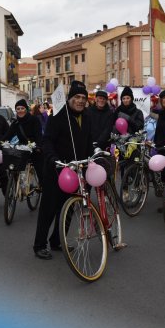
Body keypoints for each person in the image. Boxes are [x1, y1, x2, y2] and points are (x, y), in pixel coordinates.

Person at [33, 80, 93, 260]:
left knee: (68, 208)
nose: (80, 101)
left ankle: (57, 241)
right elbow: (47, 140)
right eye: (77, 97)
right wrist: (53, 159)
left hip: (77, 170)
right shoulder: (59, 114)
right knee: (48, 209)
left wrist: (92, 157)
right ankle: (39, 245)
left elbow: (89, 141)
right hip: (56, 169)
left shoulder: (87, 116)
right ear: (69, 98)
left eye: (83, 98)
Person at [2, 99, 43, 180]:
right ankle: (18, 186)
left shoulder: (34, 119)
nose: (20, 111)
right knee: (13, 166)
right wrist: (0, 143)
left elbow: (38, 135)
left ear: (26, 109)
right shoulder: (16, 123)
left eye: (22, 108)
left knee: (41, 173)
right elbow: (8, 135)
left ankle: (43, 188)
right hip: (22, 150)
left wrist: (38, 146)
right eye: (18, 109)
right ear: (16, 110)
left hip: (35, 149)